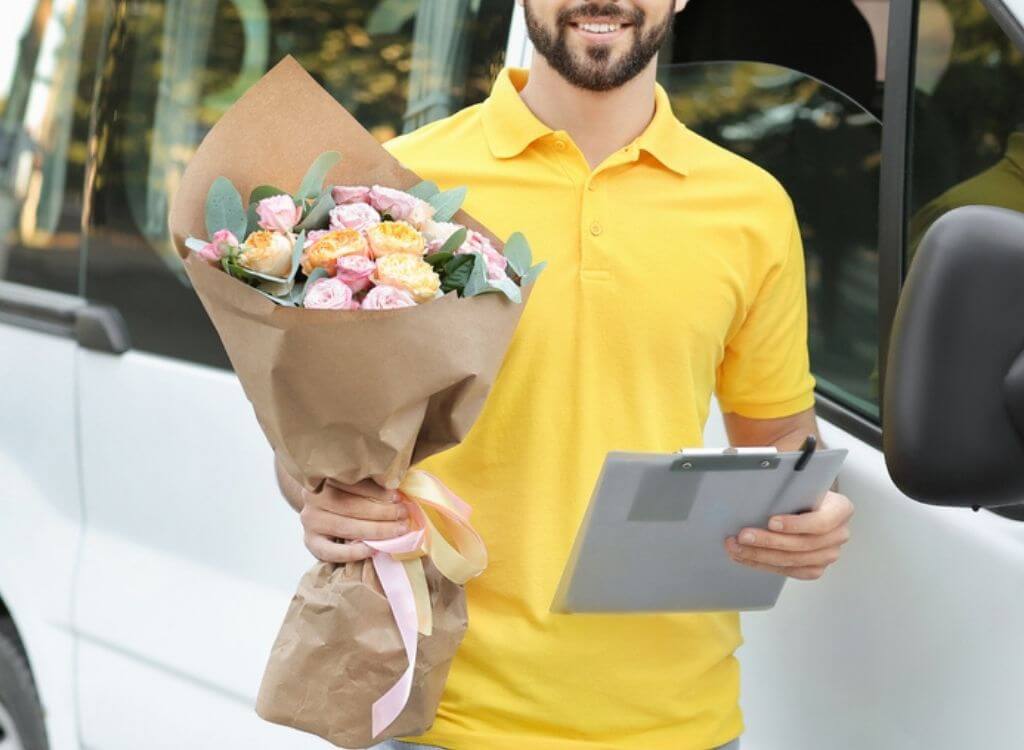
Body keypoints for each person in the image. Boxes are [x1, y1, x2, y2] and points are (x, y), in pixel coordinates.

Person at [276, 2, 855, 748]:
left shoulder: (751, 207)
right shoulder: (401, 187)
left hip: (679, 719)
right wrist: (318, 498)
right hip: (441, 715)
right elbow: (315, 445)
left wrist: (815, 509)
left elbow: (779, 434)